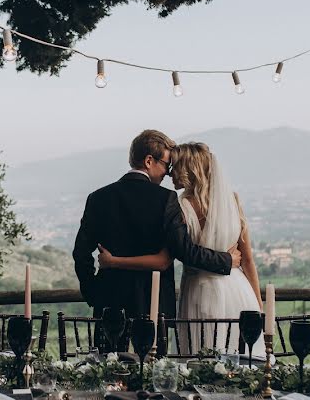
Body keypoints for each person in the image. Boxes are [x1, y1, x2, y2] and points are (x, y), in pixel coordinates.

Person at [72, 130, 241, 346]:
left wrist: (93, 292)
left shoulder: (98, 198)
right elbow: (183, 250)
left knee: (108, 372)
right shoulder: (166, 199)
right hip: (153, 305)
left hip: (109, 303)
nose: (168, 173)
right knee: (152, 373)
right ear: (149, 161)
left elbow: (81, 253)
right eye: (166, 165)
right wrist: (226, 260)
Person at [98, 142, 263, 357]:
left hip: (199, 293)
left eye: (173, 166)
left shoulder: (179, 205)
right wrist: (259, 307)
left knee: (201, 358)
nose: (169, 173)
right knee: (244, 360)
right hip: (238, 291)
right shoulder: (232, 200)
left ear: (187, 169)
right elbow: (248, 259)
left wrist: (113, 261)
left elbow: (169, 257)